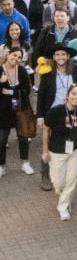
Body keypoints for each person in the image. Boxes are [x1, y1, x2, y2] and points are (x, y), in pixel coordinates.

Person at [41, 84, 77, 220]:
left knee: (72, 180)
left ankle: (63, 206)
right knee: (58, 183)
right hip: (56, 152)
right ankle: (64, 199)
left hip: (74, 152)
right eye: (74, 93)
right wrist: (45, 151)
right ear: (67, 95)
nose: (76, 97)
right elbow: (45, 130)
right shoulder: (56, 111)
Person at [0, 46, 34, 177]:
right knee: (2, 139)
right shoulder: (0, 70)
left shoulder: (21, 70)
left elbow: (27, 89)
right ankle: (1, 165)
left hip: (20, 108)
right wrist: (1, 83)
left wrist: (10, 92)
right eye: (14, 55)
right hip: (3, 111)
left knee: (23, 136)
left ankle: (25, 163)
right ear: (8, 54)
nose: (16, 58)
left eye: (19, 57)